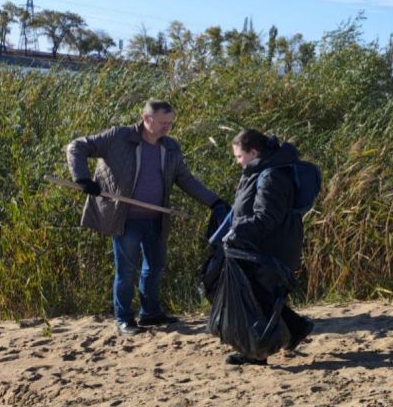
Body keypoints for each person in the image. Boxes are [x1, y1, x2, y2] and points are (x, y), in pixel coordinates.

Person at [66, 100, 227, 335]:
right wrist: (82, 178)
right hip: (125, 218)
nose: (167, 128)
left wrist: (215, 202)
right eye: (163, 122)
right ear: (146, 119)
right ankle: (123, 319)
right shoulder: (119, 137)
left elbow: (186, 179)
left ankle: (150, 313)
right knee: (127, 270)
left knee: (155, 266)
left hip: (156, 218)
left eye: (170, 123)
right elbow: (76, 146)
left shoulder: (170, 147)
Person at [221, 128, 315, 366]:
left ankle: (255, 353)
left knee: (256, 299)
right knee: (263, 296)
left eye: (239, 157)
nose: (237, 162)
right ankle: (295, 328)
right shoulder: (260, 170)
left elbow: (267, 217)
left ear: (253, 152)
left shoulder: (271, 175)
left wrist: (237, 231)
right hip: (262, 245)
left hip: (271, 248)